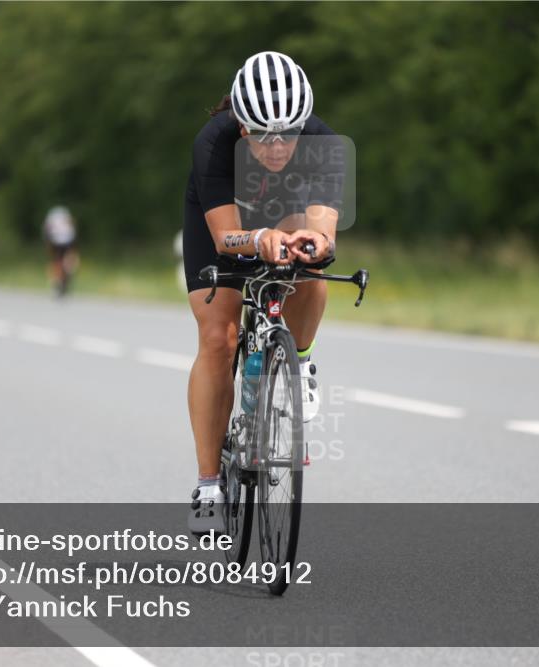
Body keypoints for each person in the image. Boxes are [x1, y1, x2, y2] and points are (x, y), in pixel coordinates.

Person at [183, 52, 341, 533]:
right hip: (227, 223)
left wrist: (314, 242)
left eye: (288, 135)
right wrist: (258, 239)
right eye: (262, 136)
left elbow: (324, 228)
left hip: (286, 209)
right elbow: (223, 237)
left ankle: (301, 362)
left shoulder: (322, 143)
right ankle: (209, 483)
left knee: (310, 269)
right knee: (219, 337)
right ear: (241, 125)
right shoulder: (214, 142)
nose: (276, 147)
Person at [42, 205, 78, 296]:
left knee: (56, 261)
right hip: (66, 240)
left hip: (55, 240)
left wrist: (47, 242)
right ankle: (62, 278)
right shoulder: (65, 214)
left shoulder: (52, 214)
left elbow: (47, 229)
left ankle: (56, 281)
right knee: (66, 260)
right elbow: (72, 228)